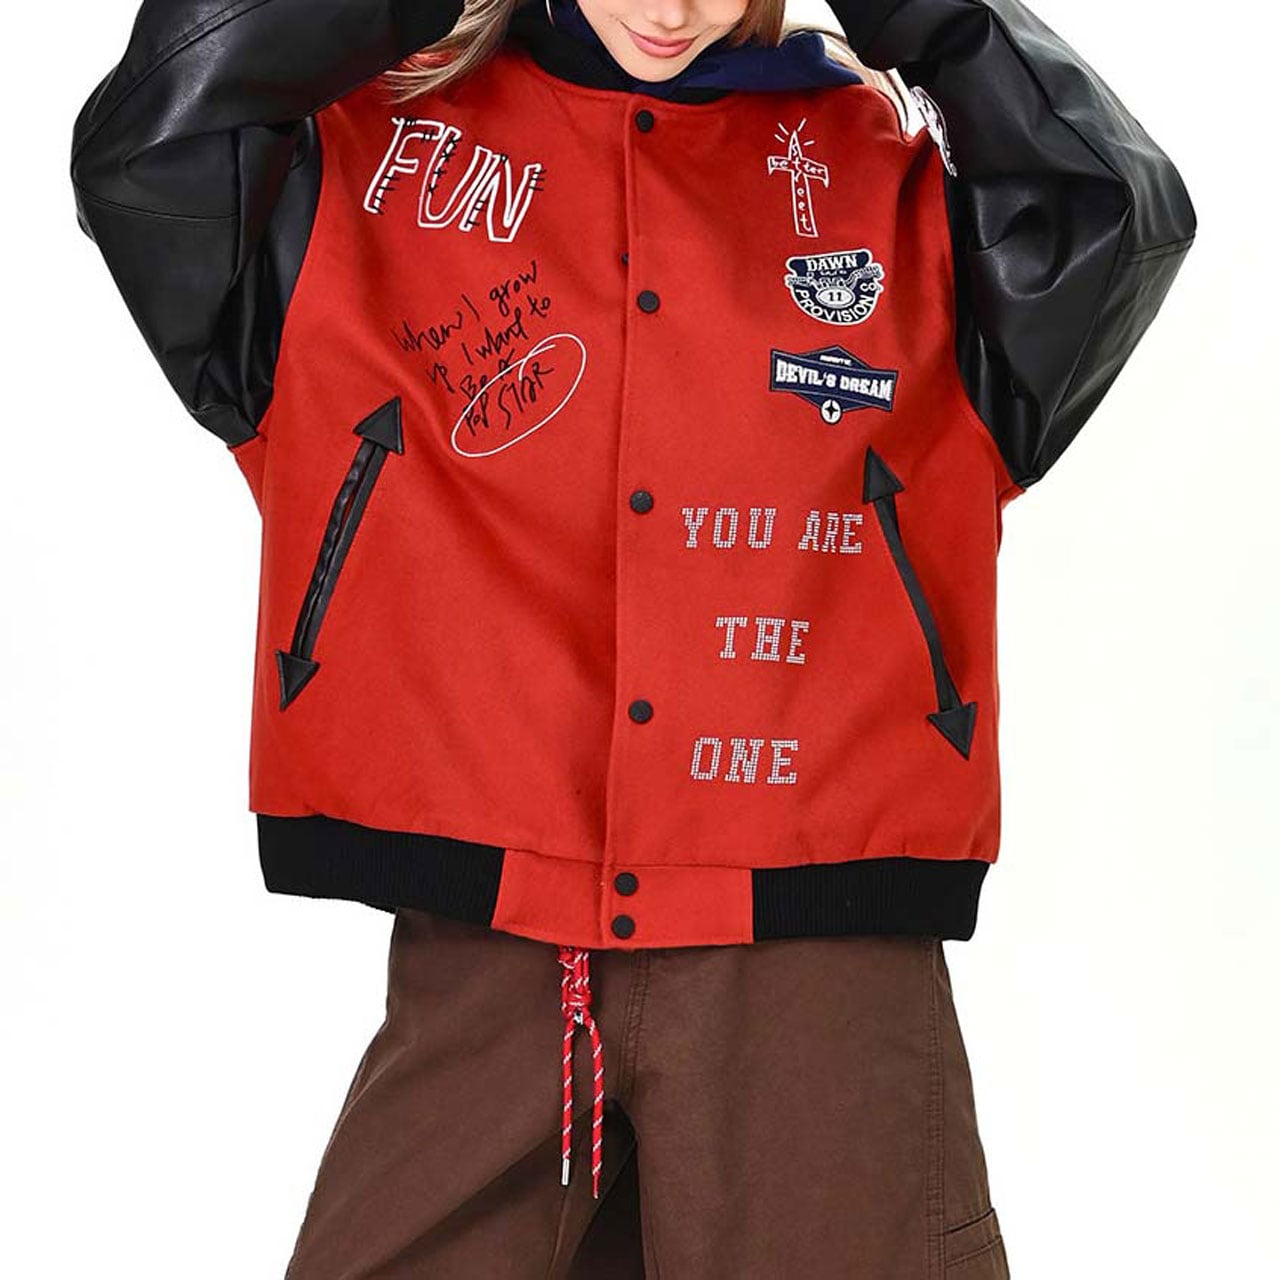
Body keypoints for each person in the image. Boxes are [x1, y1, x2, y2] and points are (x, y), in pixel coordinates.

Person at [68, 0, 1196, 1274]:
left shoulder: (897, 184)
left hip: (814, 971)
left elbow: (1115, 216)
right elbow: (148, 148)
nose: (669, 7)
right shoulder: (359, 161)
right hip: (488, 953)